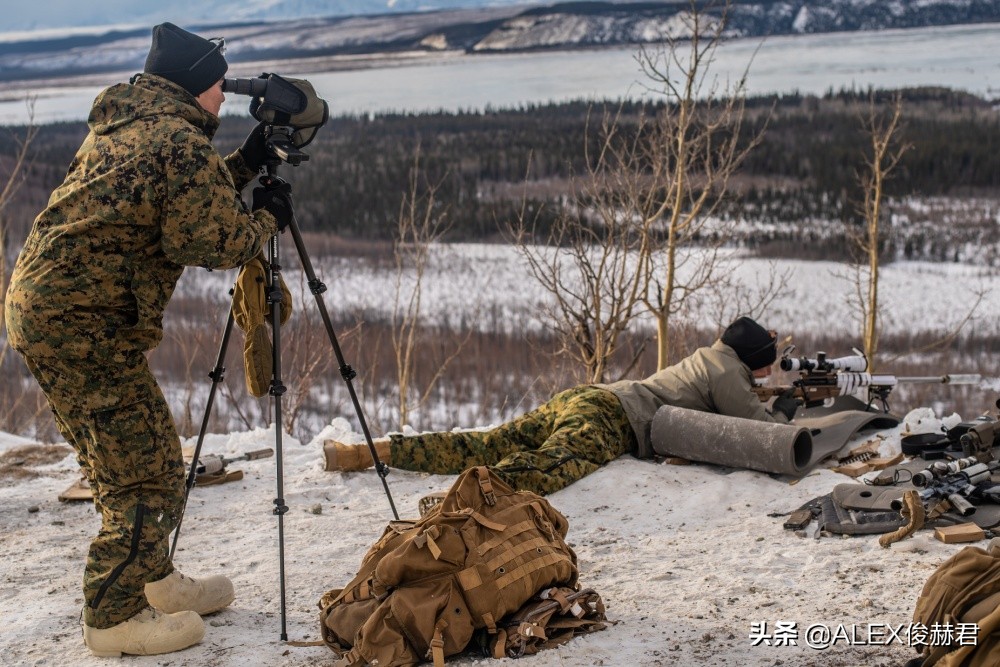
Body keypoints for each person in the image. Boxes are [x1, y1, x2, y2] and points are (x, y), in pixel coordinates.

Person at [4, 23, 293, 657]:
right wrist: (269, 216)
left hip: (54, 312)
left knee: (149, 456)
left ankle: (154, 579)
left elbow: (174, 196)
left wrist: (246, 162)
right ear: (195, 85)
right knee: (142, 478)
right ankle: (113, 617)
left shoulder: (134, 126)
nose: (224, 95)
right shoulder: (176, 141)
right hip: (81, 324)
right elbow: (213, 239)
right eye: (219, 83)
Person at [325, 316, 799, 495]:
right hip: (614, 419)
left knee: (490, 441)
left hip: (588, 396)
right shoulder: (729, 372)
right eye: (765, 364)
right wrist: (788, 409)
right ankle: (469, 497)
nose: (765, 371)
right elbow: (756, 428)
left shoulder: (708, 358)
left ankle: (372, 452)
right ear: (753, 361)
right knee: (549, 468)